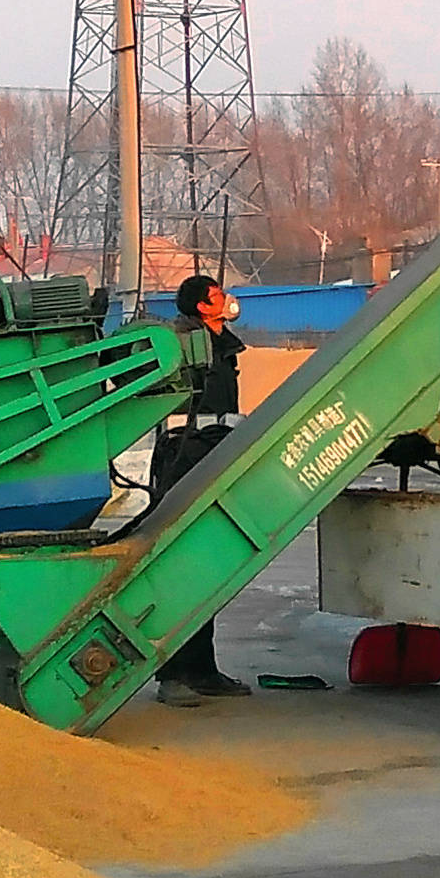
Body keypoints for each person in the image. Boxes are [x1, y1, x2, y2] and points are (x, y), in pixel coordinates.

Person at [147, 272, 250, 704]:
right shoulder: (184, 347)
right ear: (202, 307)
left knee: (209, 566)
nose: (227, 300)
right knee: (179, 566)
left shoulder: (222, 346)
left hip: (214, 452)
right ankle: (173, 675)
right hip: (185, 456)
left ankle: (203, 670)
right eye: (217, 296)